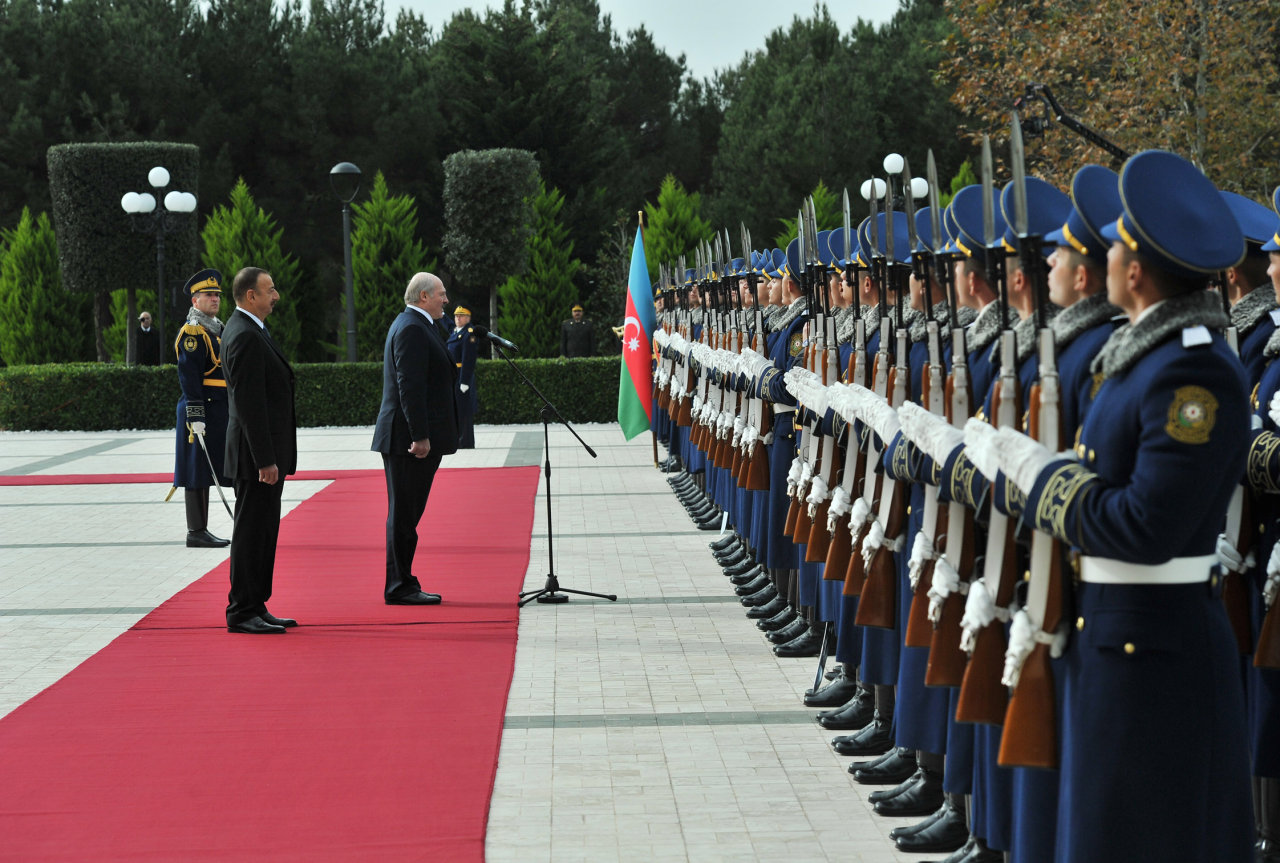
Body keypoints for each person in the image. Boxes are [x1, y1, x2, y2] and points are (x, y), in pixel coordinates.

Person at [372, 272, 460, 605]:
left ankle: (403, 580)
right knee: (404, 514)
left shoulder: (420, 324)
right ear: (423, 296)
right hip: (407, 441)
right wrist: (420, 436)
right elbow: (409, 387)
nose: (446, 300)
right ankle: (399, 586)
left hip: (409, 438)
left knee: (407, 513)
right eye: (441, 294)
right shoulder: (411, 327)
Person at [221, 267, 297, 635]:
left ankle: (256, 604)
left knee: (263, 532)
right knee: (251, 533)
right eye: (269, 290)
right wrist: (265, 459)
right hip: (256, 459)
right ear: (250, 296)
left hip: (262, 455)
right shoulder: (245, 335)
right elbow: (250, 405)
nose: (276, 295)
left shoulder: (253, 330)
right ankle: (241, 610)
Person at [172, 272, 230, 548]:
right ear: (196, 300)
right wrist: (196, 415)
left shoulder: (217, 328)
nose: (215, 299)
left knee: (215, 466)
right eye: (209, 295)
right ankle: (196, 531)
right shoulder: (193, 332)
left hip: (219, 407)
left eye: (217, 295)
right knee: (197, 469)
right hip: (201, 409)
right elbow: (189, 375)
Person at [445, 305, 478, 449]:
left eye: (461, 316)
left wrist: (464, 381)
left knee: (464, 410)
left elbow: (468, 360)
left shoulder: (468, 334)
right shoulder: (456, 331)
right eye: (456, 316)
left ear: (468, 318)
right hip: (454, 375)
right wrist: (441, 314)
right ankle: (459, 439)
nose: (458, 318)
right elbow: (447, 324)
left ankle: (466, 441)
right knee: (456, 408)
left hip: (462, 376)